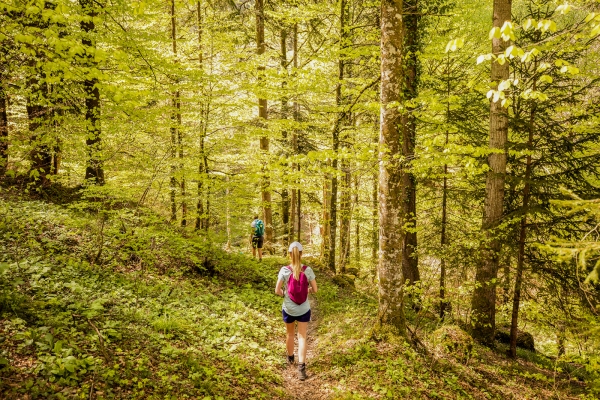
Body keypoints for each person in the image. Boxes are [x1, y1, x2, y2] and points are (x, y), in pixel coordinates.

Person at [275, 241, 318, 381]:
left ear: (289, 254)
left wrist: (284, 293)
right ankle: (301, 368)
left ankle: (290, 358)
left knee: (290, 334)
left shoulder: (285, 270)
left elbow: (277, 290)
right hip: (304, 309)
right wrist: (308, 290)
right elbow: (315, 290)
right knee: (302, 336)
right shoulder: (308, 270)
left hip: (288, 308)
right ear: (301, 254)